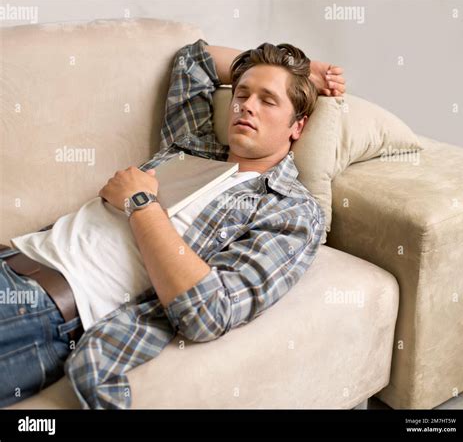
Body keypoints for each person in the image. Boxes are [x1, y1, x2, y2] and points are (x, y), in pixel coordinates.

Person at [0, 39, 345, 408]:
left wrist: (140, 203)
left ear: (298, 125)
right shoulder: (191, 145)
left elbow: (209, 311)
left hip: (44, 306)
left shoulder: (291, 210)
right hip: (12, 255)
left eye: (268, 99)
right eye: (242, 94)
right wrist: (306, 71)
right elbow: (194, 59)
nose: (246, 106)